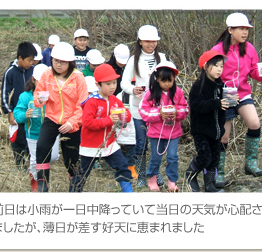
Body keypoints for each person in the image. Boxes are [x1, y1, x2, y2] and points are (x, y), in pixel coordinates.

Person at [211, 12, 262, 188]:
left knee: (254, 123)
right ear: (230, 30)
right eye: (241, 29)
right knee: (224, 135)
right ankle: (219, 171)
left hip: (243, 92)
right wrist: (219, 91)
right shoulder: (217, 50)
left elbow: (253, 72)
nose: (245, 32)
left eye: (246, 29)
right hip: (225, 93)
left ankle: (250, 164)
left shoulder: (250, 48)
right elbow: (208, 72)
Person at [33, 42, 88, 192]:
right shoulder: (47, 74)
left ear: (70, 62)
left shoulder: (78, 77)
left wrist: (73, 122)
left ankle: (75, 184)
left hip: (71, 123)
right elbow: (38, 92)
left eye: (62, 62)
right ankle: (43, 183)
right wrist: (38, 100)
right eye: (55, 60)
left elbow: (82, 104)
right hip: (52, 118)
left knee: (71, 158)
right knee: (42, 147)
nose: (58, 64)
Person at [70, 64, 133, 193]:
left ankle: (128, 193)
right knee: (81, 176)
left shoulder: (115, 100)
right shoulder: (92, 101)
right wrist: (108, 120)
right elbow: (87, 122)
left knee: (123, 168)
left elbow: (127, 116)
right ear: (98, 85)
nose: (112, 87)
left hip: (110, 144)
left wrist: (124, 116)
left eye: (114, 83)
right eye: (108, 84)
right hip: (91, 146)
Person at [121, 25, 167, 188]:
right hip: (139, 108)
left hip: (158, 107)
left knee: (157, 142)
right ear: (140, 41)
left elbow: (170, 78)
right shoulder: (133, 59)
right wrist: (132, 89)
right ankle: (141, 174)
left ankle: (155, 173)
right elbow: (124, 82)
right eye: (147, 41)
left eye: (154, 41)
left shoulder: (162, 58)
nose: (151, 44)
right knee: (141, 142)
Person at [139, 61, 189, 192]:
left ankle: (172, 182)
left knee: (173, 157)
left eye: (170, 81)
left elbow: (185, 108)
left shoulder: (178, 92)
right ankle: (152, 179)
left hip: (173, 132)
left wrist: (176, 111)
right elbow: (143, 111)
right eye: (163, 81)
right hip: (156, 133)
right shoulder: (150, 94)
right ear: (157, 80)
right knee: (156, 157)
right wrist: (159, 113)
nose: (167, 84)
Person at [185, 50, 229, 192]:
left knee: (215, 159)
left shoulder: (221, 86)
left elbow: (224, 104)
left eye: (221, 66)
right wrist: (215, 103)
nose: (219, 69)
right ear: (205, 66)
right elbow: (196, 105)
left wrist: (233, 101)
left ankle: (210, 184)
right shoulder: (199, 86)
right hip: (201, 130)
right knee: (205, 157)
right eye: (216, 66)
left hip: (216, 130)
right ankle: (190, 175)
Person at [13, 64, 59, 192]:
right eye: (40, 80)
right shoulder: (25, 96)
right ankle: (36, 180)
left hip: (51, 132)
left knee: (53, 156)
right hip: (33, 133)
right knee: (35, 159)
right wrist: (25, 115)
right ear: (33, 79)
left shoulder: (53, 94)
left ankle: (42, 172)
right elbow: (17, 114)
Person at [1, 41, 37, 170]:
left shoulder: (33, 71)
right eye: (29, 60)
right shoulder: (10, 73)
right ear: (20, 58)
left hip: (32, 112)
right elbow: (6, 94)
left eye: (33, 60)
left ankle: (31, 161)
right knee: (19, 139)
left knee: (30, 137)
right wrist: (10, 112)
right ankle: (20, 164)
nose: (31, 63)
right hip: (17, 113)